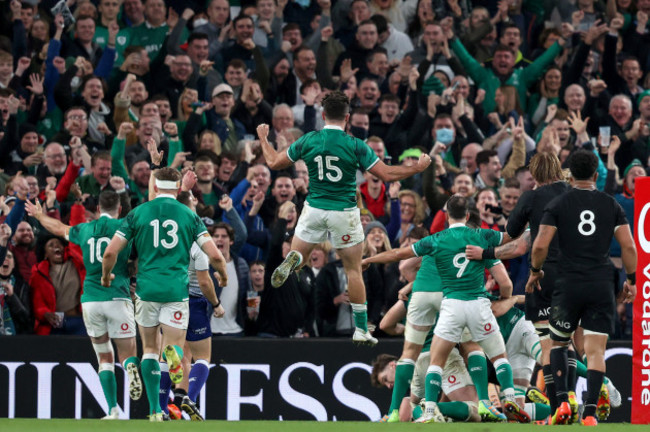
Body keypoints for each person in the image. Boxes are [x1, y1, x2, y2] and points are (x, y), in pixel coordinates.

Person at [256, 90, 431, 345]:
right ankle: (360, 329)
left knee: (300, 257)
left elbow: (273, 162)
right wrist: (416, 168)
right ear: (347, 118)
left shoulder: (309, 139)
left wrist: (263, 137)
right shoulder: (356, 145)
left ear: (323, 115)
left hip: (314, 207)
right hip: (345, 212)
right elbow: (387, 175)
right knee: (353, 270)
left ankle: (294, 259)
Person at [362, 195, 528, 423]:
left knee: (428, 358)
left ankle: (419, 411)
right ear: (468, 215)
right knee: (488, 353)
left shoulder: (436, 239)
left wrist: (371, 260)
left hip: (443, 302)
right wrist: (533, 221)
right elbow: (512, 239)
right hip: (473, 302)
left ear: (447, 216)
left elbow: (400, 256)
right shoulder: (480, 236)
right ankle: (497, 399)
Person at [101, 164, 228, 421]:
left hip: (146, 291)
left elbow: (111, 252)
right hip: (176, 291)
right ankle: (175, 355)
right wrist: (223, 275)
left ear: (155, 186)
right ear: (179, 187)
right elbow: (214, 255)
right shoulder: (189, 216)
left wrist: (106, 275)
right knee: (176, 347)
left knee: (148, 349)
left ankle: (155, 411)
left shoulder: (138, 213)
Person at [525, 149, 637, 426]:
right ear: (596, 175)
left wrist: (536, 271)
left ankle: (562, 402)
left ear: (570, 175)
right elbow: (629, 246)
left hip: (568, 283)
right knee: (596, 350)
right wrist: (631, 280)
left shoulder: (559, 203)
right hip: (601, 283)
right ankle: (589, 415)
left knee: (559, 343)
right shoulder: (611, 204)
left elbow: (539, 244)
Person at [25, 191, 143, 419]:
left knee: (104, 357)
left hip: (90, 300)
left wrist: (39, 216)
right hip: (117, 296)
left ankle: (112, 410)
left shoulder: (86, 229)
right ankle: (130, 366)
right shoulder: (125, 227)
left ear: (98, 209)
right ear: (119, 209)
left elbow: (59, 228)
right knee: (127, 352)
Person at [170, 190, 225, 422]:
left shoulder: (169, 235)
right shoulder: (196, 239)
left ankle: (173, 402)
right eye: (193, 197)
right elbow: (204, 281)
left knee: (180, 356)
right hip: (193, 302)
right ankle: (189, 399)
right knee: (202, 357)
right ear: (192, 203)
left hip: (169, 300)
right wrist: (216, 303)